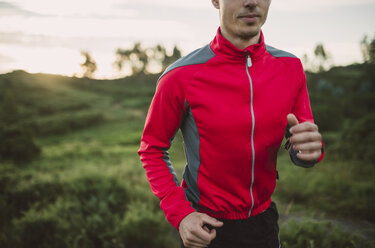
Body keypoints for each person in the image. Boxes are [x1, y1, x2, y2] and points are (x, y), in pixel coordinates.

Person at [138, 0, 324, 247]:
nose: (251, 2)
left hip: (264, 224)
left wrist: (309, 153)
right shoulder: (181, 75)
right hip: (206, 227)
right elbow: (152, 149)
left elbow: (304, 145)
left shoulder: (290, 68)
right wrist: (181, 214)